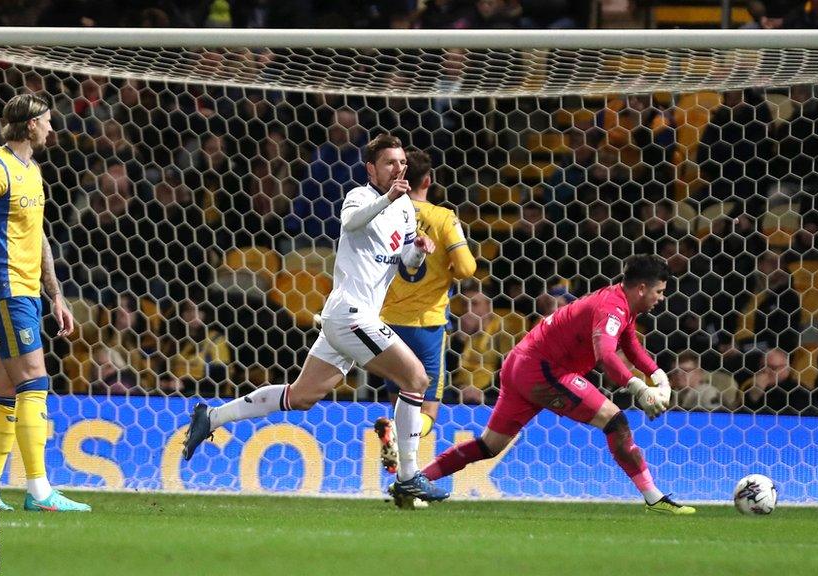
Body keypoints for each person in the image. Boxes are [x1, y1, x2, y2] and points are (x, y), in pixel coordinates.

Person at [182, 133, 449, 502]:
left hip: (352, 317)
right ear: (372, 168)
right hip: (351, 313)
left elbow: (405, 264)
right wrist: (388, 198)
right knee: (416, 378)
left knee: (303, 395)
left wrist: (419, 250)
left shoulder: (406, 211)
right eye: (390, 162)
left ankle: (211, 418)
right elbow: (353, 223)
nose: (398, 168)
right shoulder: (361, 197)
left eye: (402, 163)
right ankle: (408, 475)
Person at [406, 255, 695, 515]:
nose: (660, 298)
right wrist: (640, 389)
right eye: (659, 292)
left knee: (489, 445)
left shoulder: (620, 302)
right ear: (642, 288)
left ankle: (415, 481)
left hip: (520, 364)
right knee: (615, 421)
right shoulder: (612, 308)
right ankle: (653, 497)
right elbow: (606, 354)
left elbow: (629, 343)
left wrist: (659, 378)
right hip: (543, 371)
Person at [0, 93, 90, 512]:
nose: (52, 127)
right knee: (35, 382)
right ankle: (39, 491)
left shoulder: (32, 171)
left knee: (7, 391)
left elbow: (39, 236)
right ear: (31, 125)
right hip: (7, 289)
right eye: (47, 121)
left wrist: (56, 294)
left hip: (29, 291)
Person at [374, 148, 476, 474]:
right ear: (428, 180)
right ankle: (406, 467)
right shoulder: (443, 217)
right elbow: (466, 268)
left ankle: (406, 477)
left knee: (400, 407)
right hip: (427, 326)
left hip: (387, 323)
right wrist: (443, 262)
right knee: (426, 411)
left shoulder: (385, 214)